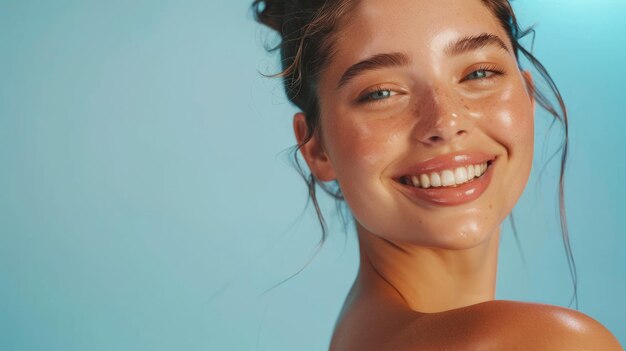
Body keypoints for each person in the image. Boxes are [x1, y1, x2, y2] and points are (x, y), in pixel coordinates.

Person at [252, 0, 623, 349]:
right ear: (315, 147)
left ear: (528, 96)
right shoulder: (550, 343)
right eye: (381, 93)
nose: (446, 123)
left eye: (479, 73)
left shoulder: (359, 333)